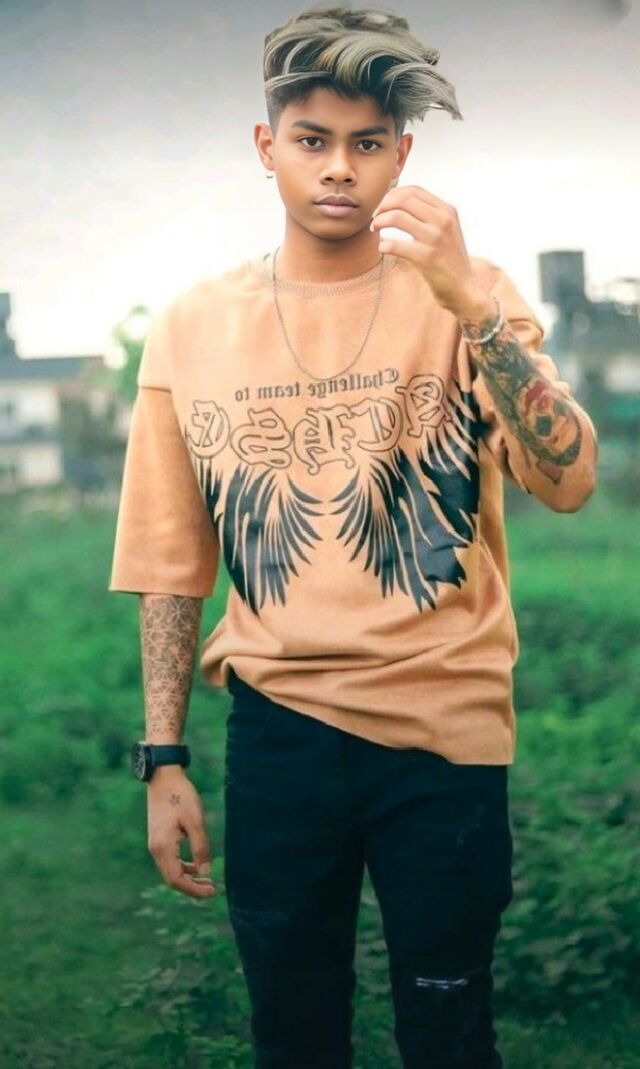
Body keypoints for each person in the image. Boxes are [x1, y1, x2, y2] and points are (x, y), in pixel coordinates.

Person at [108, 4, 598, 1067]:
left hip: (444, 727)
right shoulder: (194, 325)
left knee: (449, 1025)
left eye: (368, 144)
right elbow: (168, 559)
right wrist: (163, 757)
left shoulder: (468, 296)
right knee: (291, 1031)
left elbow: (568, 481)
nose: (339, 168)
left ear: (401, 157)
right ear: (266, 145)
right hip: (276, 731)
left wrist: (471, 306)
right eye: (312, 140)